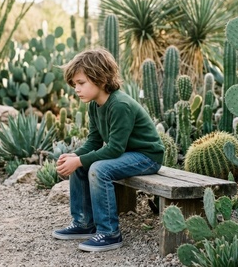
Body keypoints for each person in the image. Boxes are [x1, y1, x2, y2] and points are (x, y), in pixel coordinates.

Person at [52, 48, 165, 252]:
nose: (76, 89)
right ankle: (83, 223)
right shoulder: (95, 105)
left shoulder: (120, 105)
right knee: (82, 163)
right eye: (74, 84)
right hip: (126, 155)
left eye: (81, 83)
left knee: (98, 168)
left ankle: (109, 233)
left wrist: (80, 160)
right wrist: (75, 156)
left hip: (147, 157)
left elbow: (114, 149)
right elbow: (94, 142)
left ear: (101, 79)